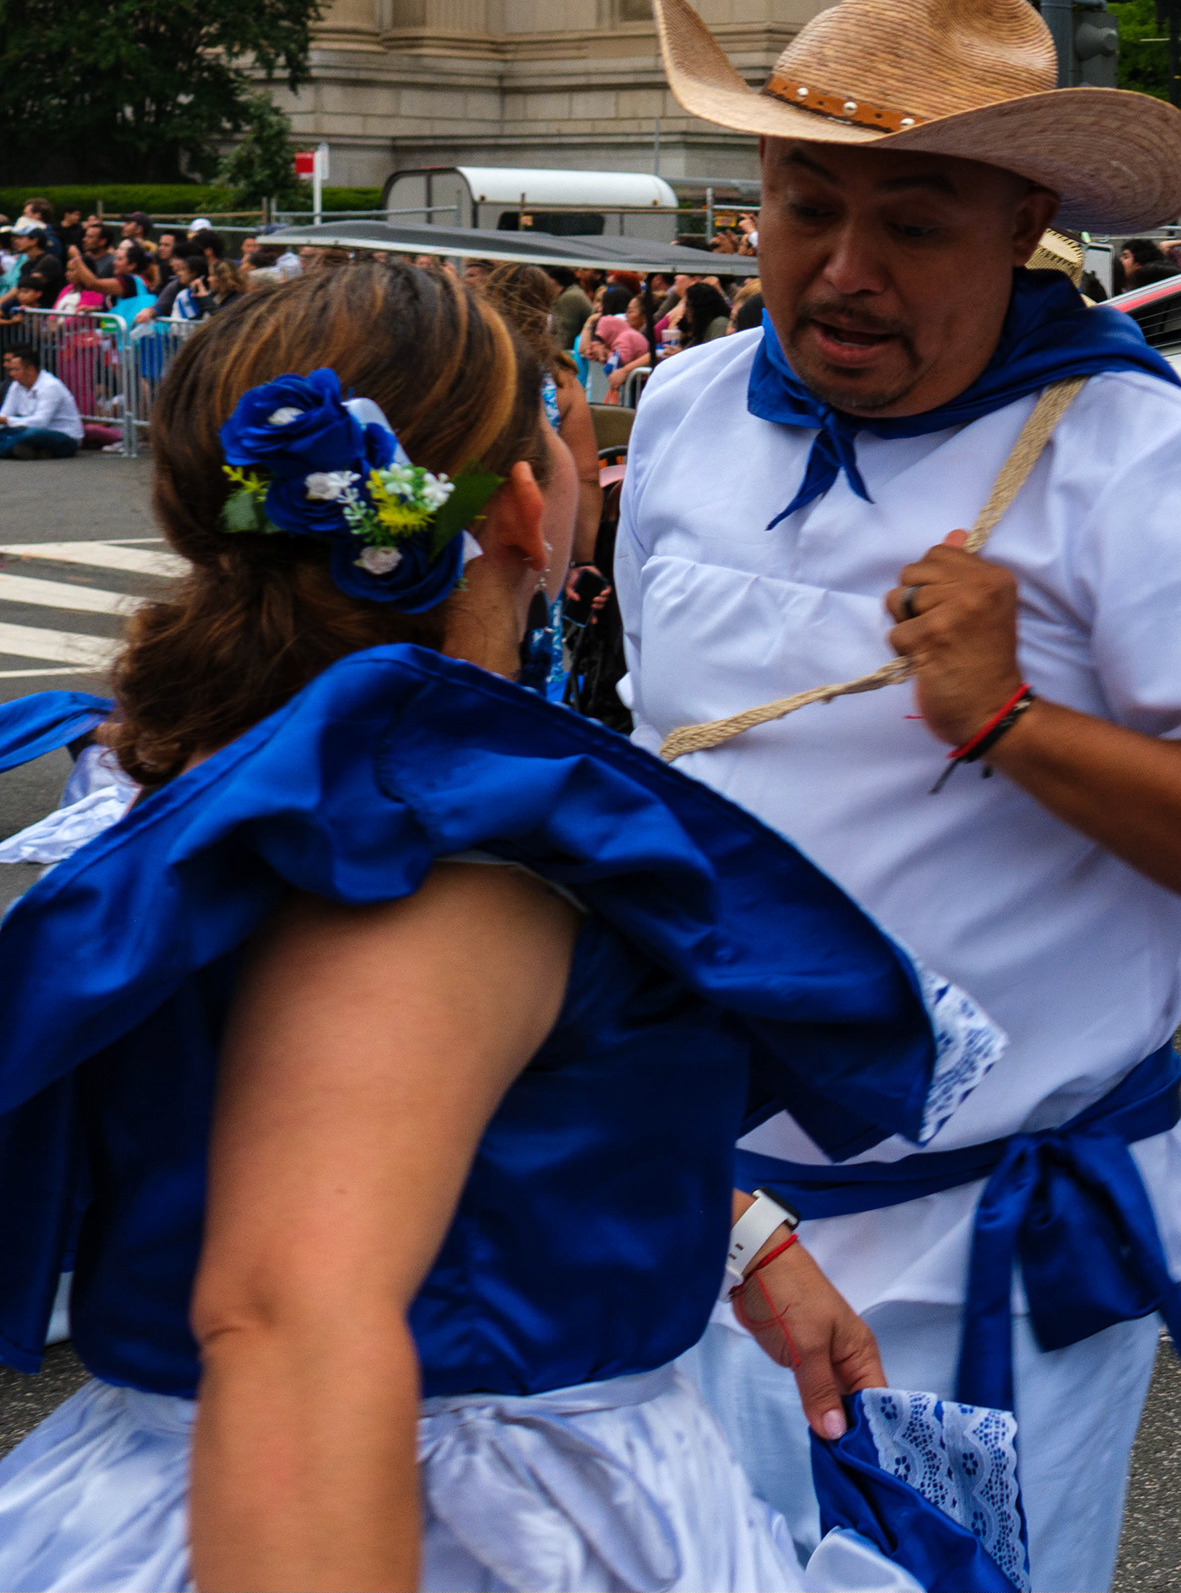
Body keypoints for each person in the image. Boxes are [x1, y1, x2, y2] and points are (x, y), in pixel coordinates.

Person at [0, 259, 1002, 1593]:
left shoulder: (252, 774)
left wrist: (731, 1228)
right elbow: (294, 1320)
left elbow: (393, 1123)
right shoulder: (443, 851)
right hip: (447, 1511)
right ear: (529, 506)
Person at [626, 0, 1181, 1591]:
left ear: (1022, 225)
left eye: (914, 226)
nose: (845, 270)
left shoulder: (1143, 459)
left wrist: (1011, 726)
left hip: (974, 1264)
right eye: (805, 207)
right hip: (695, 1233)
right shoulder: (686, 412)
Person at [0, 347, 80, 457]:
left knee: (30, 434)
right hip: (27, 430)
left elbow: (40, 422)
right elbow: (5, 413)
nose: (11, 374)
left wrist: (6, 420)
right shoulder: (16, 386)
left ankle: (9, 449)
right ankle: (23, 449)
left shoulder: (50, 386)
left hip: (63, 436)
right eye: (10, 370)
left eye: (16, 370)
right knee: (13, 433)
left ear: (30, 369)